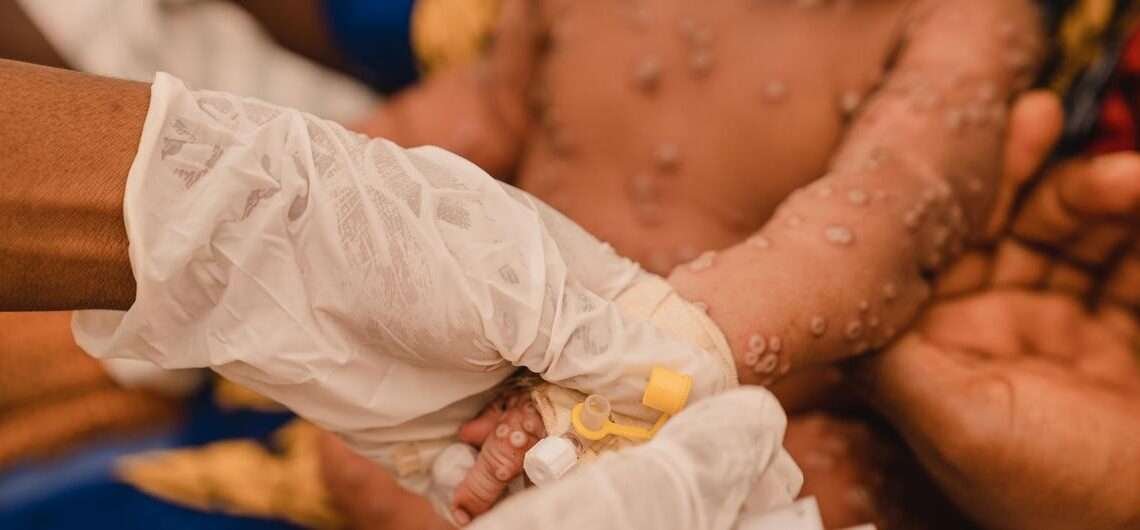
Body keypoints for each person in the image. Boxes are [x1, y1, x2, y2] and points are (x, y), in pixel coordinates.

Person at [0, 57, 798, 528]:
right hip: (487, 376)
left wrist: (278, 225)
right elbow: (467, 112)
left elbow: (760, 311)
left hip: (527, 395)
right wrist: (314, 222)